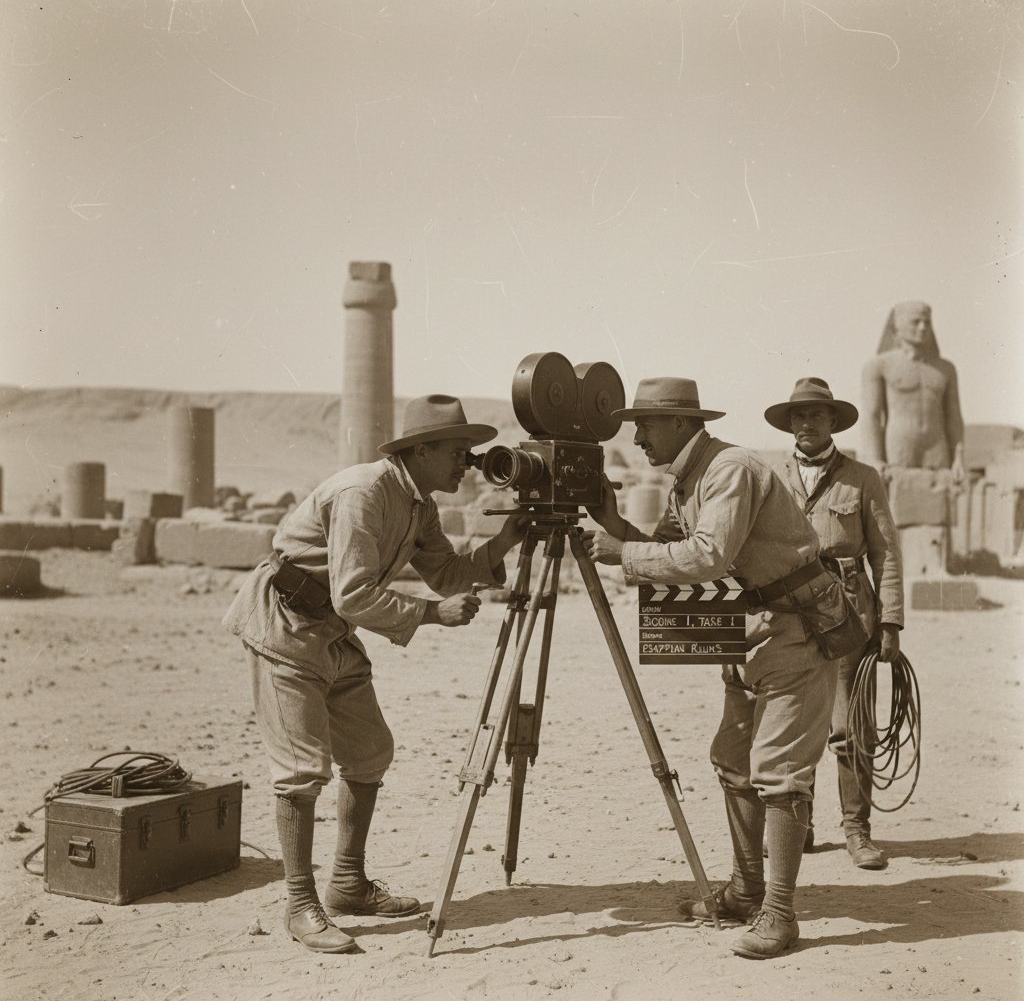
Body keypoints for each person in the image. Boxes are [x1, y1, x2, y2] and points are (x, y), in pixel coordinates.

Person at [223, 395, 528, 954]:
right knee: (301, 770)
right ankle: (300, 904)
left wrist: (506, 539)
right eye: (458, 452)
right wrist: (432, 615)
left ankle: (347, 883)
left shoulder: (420, 504)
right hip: (286, 624)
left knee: (369, 752)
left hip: (334, 630)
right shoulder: (364, 492)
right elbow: (354, 593)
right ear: (422, 451)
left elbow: (447, 575)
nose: (467, 464)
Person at [584, 377, 865, 959]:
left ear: (682, 424)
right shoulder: (689, 477)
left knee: (779, 771)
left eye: (645, 424)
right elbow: (668, 554)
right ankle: (745, 890)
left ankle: (780, 915)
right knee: (733, 760)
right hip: (748, 631)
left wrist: (623, 554)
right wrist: (614, 524)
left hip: (795, 630)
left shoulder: (729, 469)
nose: (636, 438)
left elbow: (707, 557)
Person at [765, 377, 905, 869]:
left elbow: (886, 553)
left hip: (848, 614)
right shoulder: (770, 476)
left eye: (816, 415)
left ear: (833, 422)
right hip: (789, 613)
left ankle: (856, 830)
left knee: (851, 726)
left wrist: (890, 622)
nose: (806, 423)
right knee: (793, 724)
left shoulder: (863, 478)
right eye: (798, 415)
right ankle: (797, 827)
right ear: (789, 424)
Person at [861, 300, 965, 477]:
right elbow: (872, 415)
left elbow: (954, 418)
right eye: (915, 322)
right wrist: (873, 458)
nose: (923, 327)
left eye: (927, 322)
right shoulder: (879, 366)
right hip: (899, 448)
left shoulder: (946, 369)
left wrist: (959, 458)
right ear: (898, 326)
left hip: (937, 449)